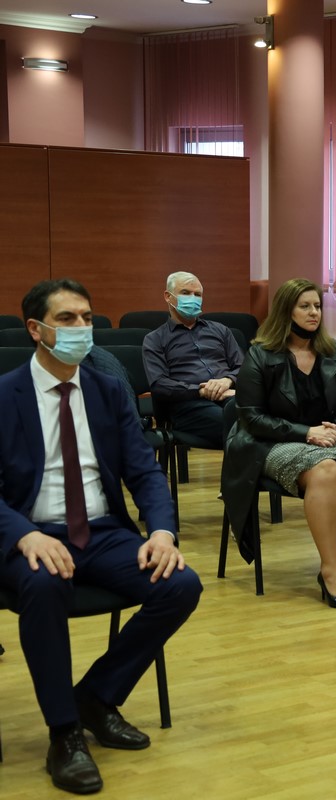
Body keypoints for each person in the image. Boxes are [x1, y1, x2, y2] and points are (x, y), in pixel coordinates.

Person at [0, 279, 201, 795]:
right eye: (67, 319)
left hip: (102, 532)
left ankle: (95, 696)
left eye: (87, 318)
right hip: (31, 534)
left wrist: (162, 531)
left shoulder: (107, 390)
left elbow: (145, 471)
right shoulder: (4, 394)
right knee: (44, 585)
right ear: (36, 329)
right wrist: (24, 536)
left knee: (180, 585)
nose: (81, 328)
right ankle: (64, 733)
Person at [221, 278, 336, 610]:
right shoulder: (260, 354)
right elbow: (251, 417)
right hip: (270, 440)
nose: (314, 313)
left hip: (326, 437)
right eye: (304, 306)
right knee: (325, 471)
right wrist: (307, 433)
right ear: (286, 311)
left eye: (317, 306)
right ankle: (330, 568)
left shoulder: (332, 350)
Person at [143, 271, 243, 448]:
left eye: (197, 294)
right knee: (238, 425)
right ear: (168, 296)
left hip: (229, 396)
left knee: (255, 416)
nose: (193, 298)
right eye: (185, 293)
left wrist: (228, 380)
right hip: (189, 405)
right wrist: (201, 391)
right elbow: (160, 385)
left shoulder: (221, 331)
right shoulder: (155, 339)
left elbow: (244, 367)